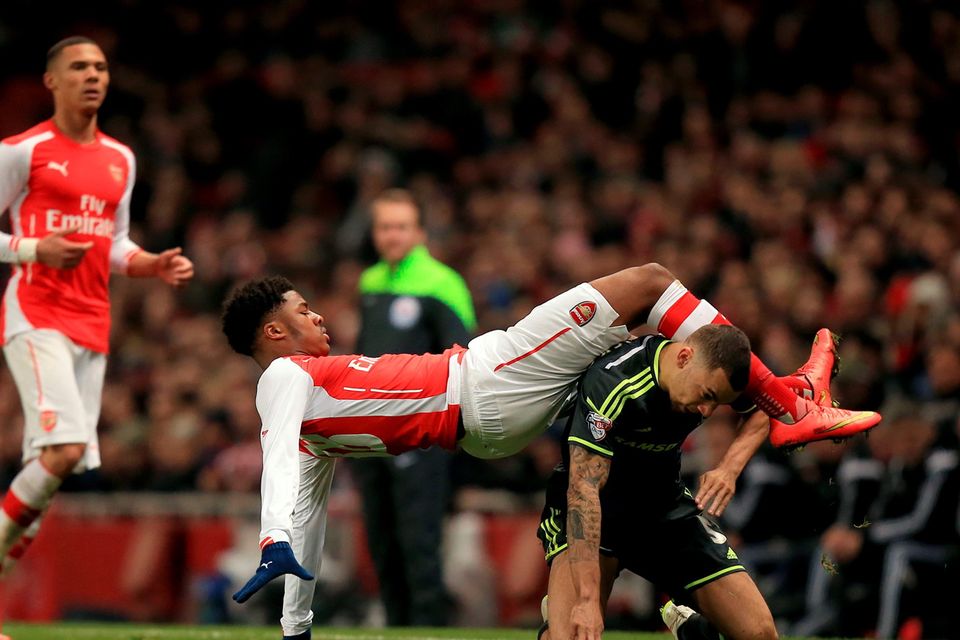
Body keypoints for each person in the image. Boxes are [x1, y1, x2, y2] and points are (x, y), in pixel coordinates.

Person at [220, 264, 879, 639]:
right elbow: (277, 463)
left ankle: (790, 398)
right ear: (275, 331)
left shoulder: (318, 421)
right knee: (651, 282)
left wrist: (295, 628)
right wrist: (271, 537)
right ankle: (793, 405)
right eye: (304, 312)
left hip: (485, 423)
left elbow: (306, 507)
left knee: (653, 347)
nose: (320, 319)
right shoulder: (286, 378)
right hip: (486, 382)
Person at [0, 36, 194, 574]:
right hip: (37, 311)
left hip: (92, 322)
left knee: (52, 470)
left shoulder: (120, 159)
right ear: (52, 81)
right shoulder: (22, 151)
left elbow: (113, 241)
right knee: (60, 455)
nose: (93, 76)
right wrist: (35, 249)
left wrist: (149, 263)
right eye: (79, 67)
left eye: (101, 67)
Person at [536, 326, 787, 640]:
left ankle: (695, 624)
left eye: (718, 404)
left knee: (761, 635)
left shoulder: (711, 376)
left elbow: (769, 407)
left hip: (663, 510)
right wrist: (586, 602)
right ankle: (561, 615)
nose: (707, 411)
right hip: (596, 511)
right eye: (707, 396)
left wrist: (728, 469)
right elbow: (583, 490)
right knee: (572, 635)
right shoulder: (615, 382)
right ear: (684, 357)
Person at [352, 188, 476, 626]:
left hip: (420, 434)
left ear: (420, 232)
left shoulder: (442, 283)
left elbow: (462, 357)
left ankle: (426, 629)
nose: (393, 235)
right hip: (370, 433)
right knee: (380, 537)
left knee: (418, 537)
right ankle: (394, 627)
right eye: (385, 226)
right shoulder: (369, 282)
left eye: (402, 226)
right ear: (374, 232)